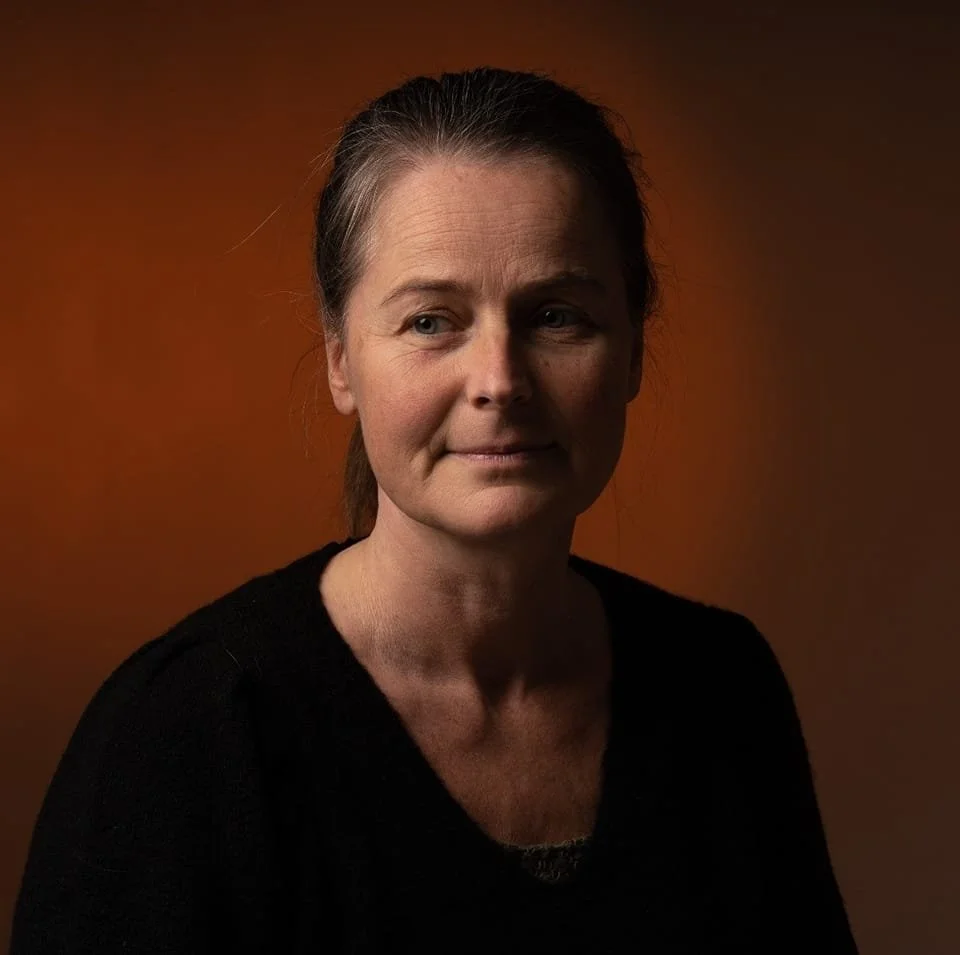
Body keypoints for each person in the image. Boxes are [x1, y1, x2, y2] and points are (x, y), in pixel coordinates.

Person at [10, 67, 859, 953]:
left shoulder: (724, 689)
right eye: (431, 322)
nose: (499, 381)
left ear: (635, 348)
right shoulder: (188, 733)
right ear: (341, 360)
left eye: (558, 316)